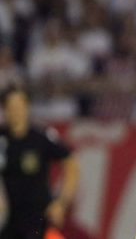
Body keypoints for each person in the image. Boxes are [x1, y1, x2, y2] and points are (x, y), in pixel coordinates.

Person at [0, 86, 78, 239]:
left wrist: (61, 203)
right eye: (11, 107)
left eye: (19, 106)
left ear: (27, 107)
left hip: (39, 220)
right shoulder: (2, 140)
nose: (15, 111)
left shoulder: (41, 137)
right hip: (9, 220)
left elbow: (71, 165)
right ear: (5, 110)